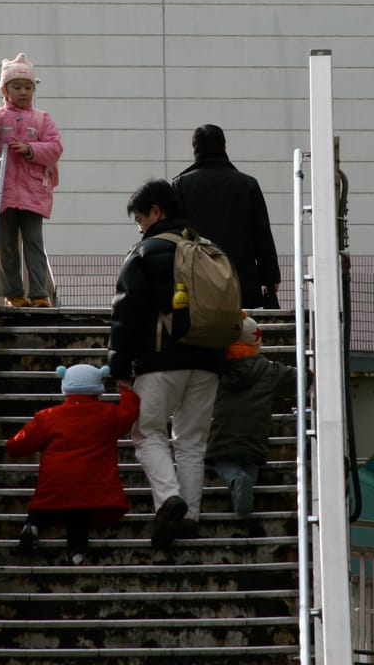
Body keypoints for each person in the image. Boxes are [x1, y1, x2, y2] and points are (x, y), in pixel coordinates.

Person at [108, 179, 225, 549]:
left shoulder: (146, 252)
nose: (140, 226)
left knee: (146, 432)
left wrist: (120, 368)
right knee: (192, 441)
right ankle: (189, 516)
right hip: (208, 359)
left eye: (140, 218)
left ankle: (169, 499)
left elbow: (127, 315)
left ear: (156, 212)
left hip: (161, 360)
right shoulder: (207, 249)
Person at [5, 363, 140, 565]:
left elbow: (17, 445)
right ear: (98, 388)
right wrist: (125, 388)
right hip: (92, 482)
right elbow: (129, 413)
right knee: (80, 512)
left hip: (55, 479)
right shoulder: (109, 414)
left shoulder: (47, 416)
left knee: (43, 502)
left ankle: (32, 524)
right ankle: (75, 553)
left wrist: (12, 443)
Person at [171, 123, 281, 309]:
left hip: (197, 282)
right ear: (224, 147)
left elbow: (174, 236)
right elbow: (262, 234)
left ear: (194, 150)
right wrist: (270, 278)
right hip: (241, 282)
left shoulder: (180, 186)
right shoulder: (248, 185)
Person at [207, 314, 298, 517]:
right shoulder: (269, 369)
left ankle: (235, 480)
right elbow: (295, 379)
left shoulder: (217, 368)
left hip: (224, 430)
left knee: (223, 462)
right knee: (251, 463)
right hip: (256, 432)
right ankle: (244, 486)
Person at [0, 53, 63, 308]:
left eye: (28, 87)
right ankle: (14, 294)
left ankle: (39, 293)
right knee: (7, 244)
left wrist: (31, 149)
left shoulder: (42, 118)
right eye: (17, 87)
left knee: (34, 242)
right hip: (4, 190)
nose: (23, 92)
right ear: (5, 89)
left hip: (33, 191)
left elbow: (55, 148)